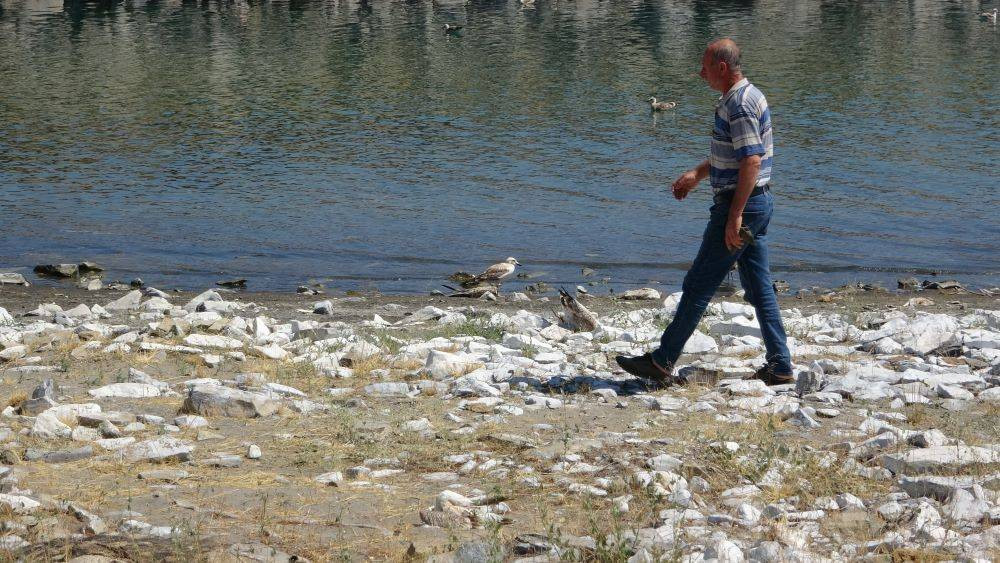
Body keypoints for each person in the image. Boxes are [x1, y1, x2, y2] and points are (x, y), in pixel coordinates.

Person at [616, 38, 794, 386]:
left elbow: (751, 161)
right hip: (757, 203)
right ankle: (781, 366)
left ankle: (663, 359)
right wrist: (697, 174)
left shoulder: (739, 105)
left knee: (698, 283)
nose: (700, 73)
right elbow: (733, 156)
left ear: (722, 68)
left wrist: (734, 215)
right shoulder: (746, 95)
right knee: (759, 289)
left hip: (742, 204)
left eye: (705, 66)